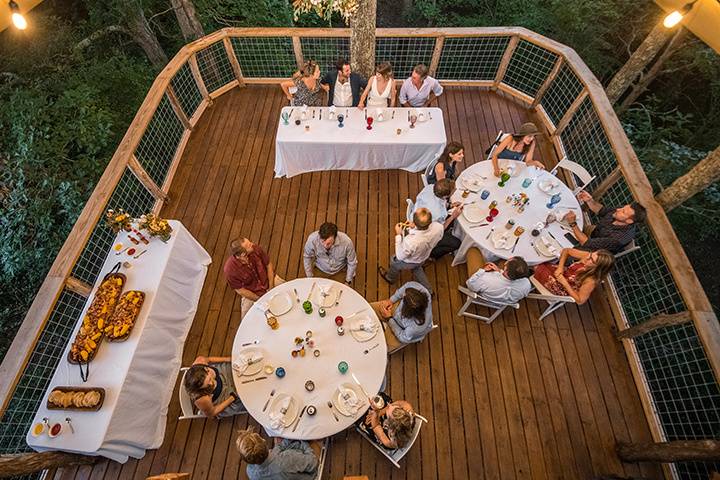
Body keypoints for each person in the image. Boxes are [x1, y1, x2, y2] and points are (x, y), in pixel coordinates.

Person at [378, 208, 443, 293]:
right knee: (417, 269)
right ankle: (428, 290)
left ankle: (390, 278)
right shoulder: (439, 227)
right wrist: (414, 227)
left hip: (410, 261)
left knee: (394, 262)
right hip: (423, 257)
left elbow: (400, 256)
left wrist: (399, 235)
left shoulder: (411, 242)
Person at [565, 191, 646, 254]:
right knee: (561, 221)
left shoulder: (618, 238)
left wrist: (573, 223)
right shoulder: (619, 212)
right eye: (623, 208)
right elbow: (602, 210)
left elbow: (586, 243)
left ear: (629, 221)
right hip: (594, 232)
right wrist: (590, 201)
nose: (618, 209)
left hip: (594, 252)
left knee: (563, 248)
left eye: (623, 212)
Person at [223, 238, 283, 318]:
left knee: (291, 290)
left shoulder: (255, 249)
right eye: (249, 245)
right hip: (252, 294)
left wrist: (271, 287)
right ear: (242, 255)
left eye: (249, 242)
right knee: (246, 319)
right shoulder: (230, 269)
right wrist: (260, 299)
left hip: (270, 281)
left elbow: (268, 265)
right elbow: (241, 291)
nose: (252, 244)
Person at [533, 248, 614, 305]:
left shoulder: (591, 280)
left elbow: (580, 301)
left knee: (536, 265)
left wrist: (564, 283)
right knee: (540, 259)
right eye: (591, 255)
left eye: (592, 260)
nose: (587, 258)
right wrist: (560, 267)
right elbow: (566, 250)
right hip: (562, 273)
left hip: (562, 287)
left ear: (598, 267)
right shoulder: (588, 256)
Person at [370, 281, 433, 352]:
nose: (402, 295)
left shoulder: (416, 327)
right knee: (368, 308)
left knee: (379, 347)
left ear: (408, 310)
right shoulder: (419, 289)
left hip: (401, 330)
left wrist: (389, 319)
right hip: (396, 311)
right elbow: (405, 288)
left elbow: (403, 337)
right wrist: (390, 301)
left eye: (404, 297)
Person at [237, 428, 321, 480]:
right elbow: (313, 464)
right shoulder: (287, 458)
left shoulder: (251, 472)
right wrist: (303, 441)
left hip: (284, 469)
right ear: (264, 441)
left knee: (278, 439)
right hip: (311, 475)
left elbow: (277, 450)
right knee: (314, 438)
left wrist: (284, 442)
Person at [414, 179, 463, 260]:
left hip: (418, 216)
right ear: (445, 196)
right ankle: (432, 255)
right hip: (425, 234)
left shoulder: (430, 187)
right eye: (453, 190)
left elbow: (440, 202)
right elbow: (440, 229)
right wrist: (453, 216)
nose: (456, 190)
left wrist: (450, 205)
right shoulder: (439, 213)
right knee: (456, 244)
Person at [465, 247, 532, 304]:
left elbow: (470, 285)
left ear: (506, 269)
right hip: (502, 303)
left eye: (508, 261)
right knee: (501, 261)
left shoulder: (486, 279)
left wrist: (482, 270)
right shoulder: (526, 284)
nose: (508, 260)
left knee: (473, 251)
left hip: (484, 298)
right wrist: (499, 271)